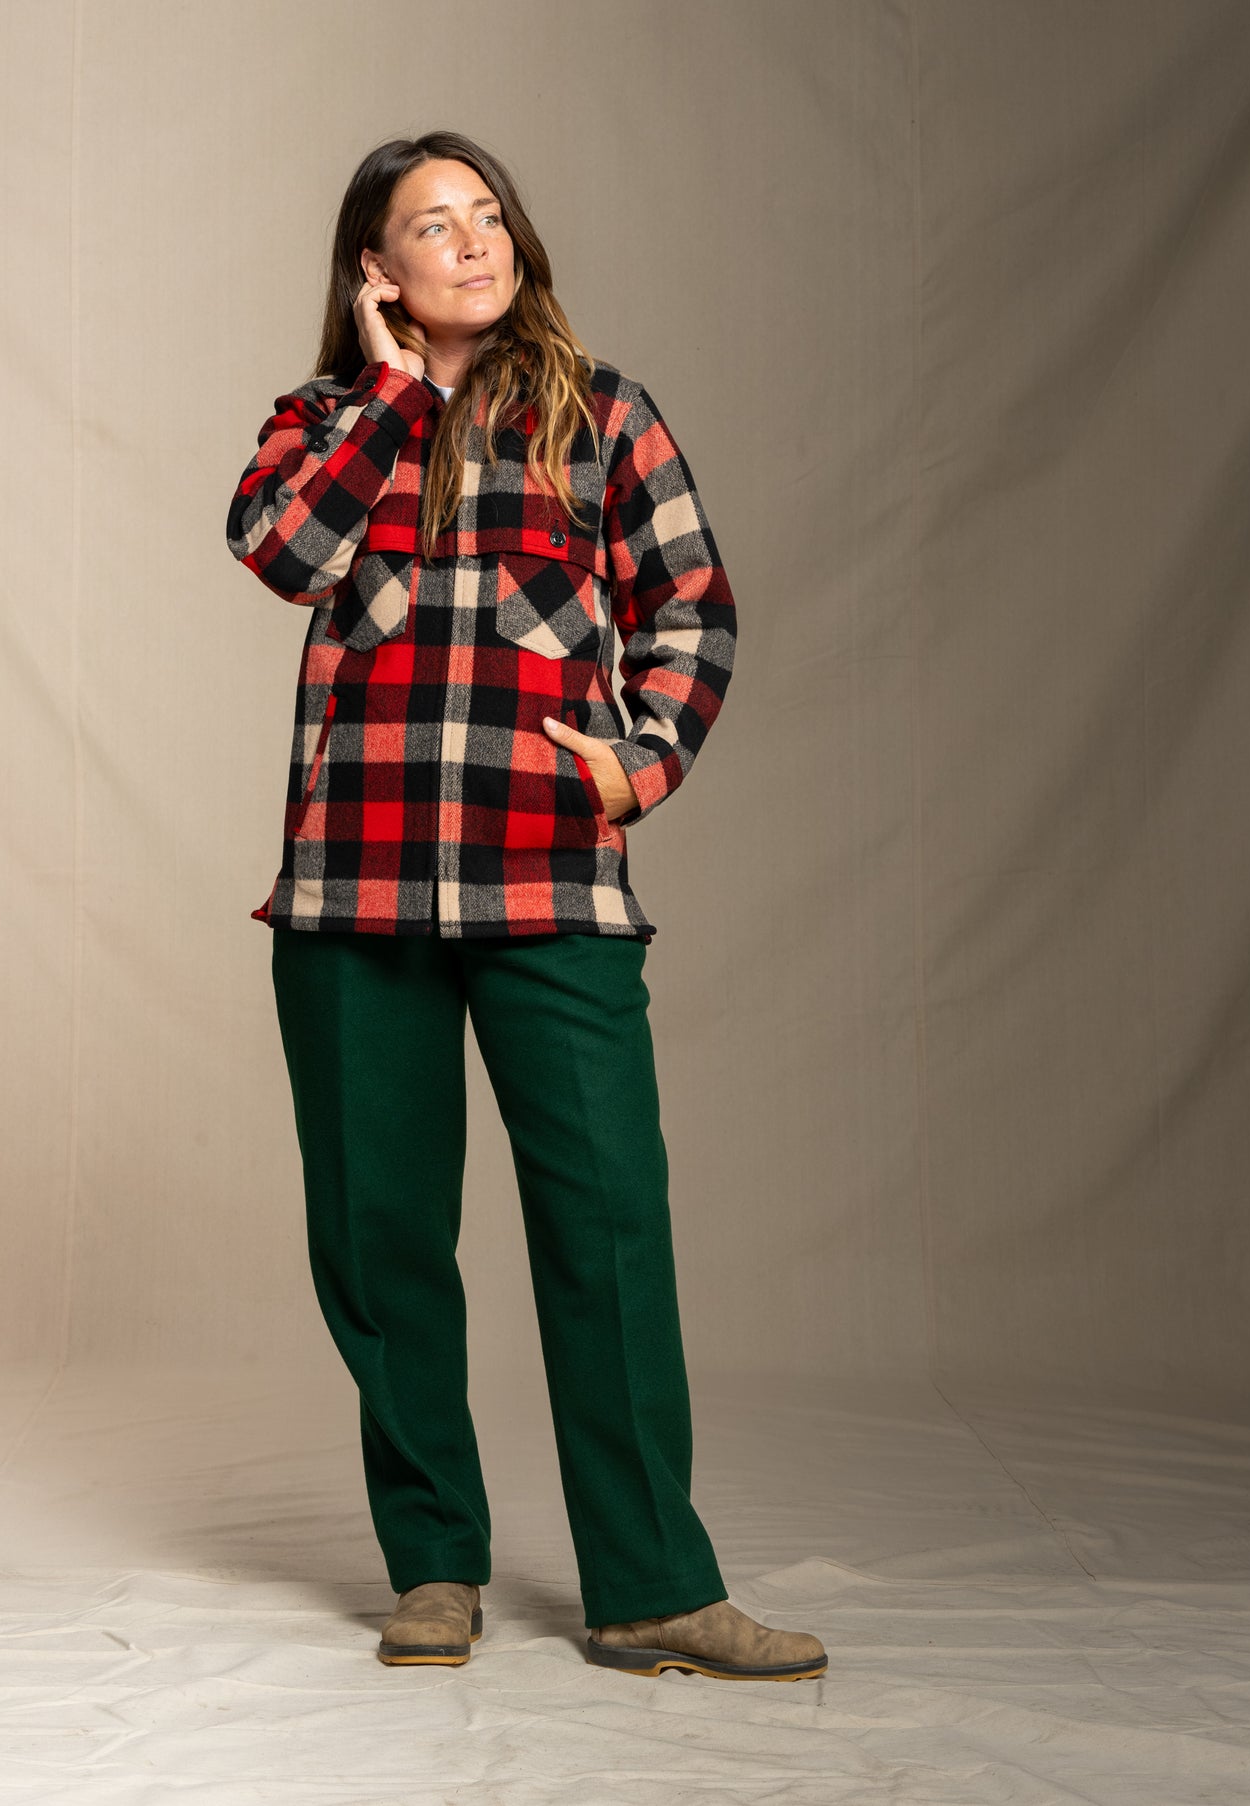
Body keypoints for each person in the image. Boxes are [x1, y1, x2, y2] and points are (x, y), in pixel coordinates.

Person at [225, 130, 827, 1684]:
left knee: (608, 1222)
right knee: (381, 1238)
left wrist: (642, 766)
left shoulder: (601, 411)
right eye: (435, 225)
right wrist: (397, 401)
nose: (475, 242)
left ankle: (650, 1585)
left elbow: (693, 603)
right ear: (379, 270)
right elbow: (277, 551)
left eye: (488, 214)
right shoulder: (323, 422)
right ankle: (432, 1563)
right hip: (353, 888)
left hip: (549, 873)